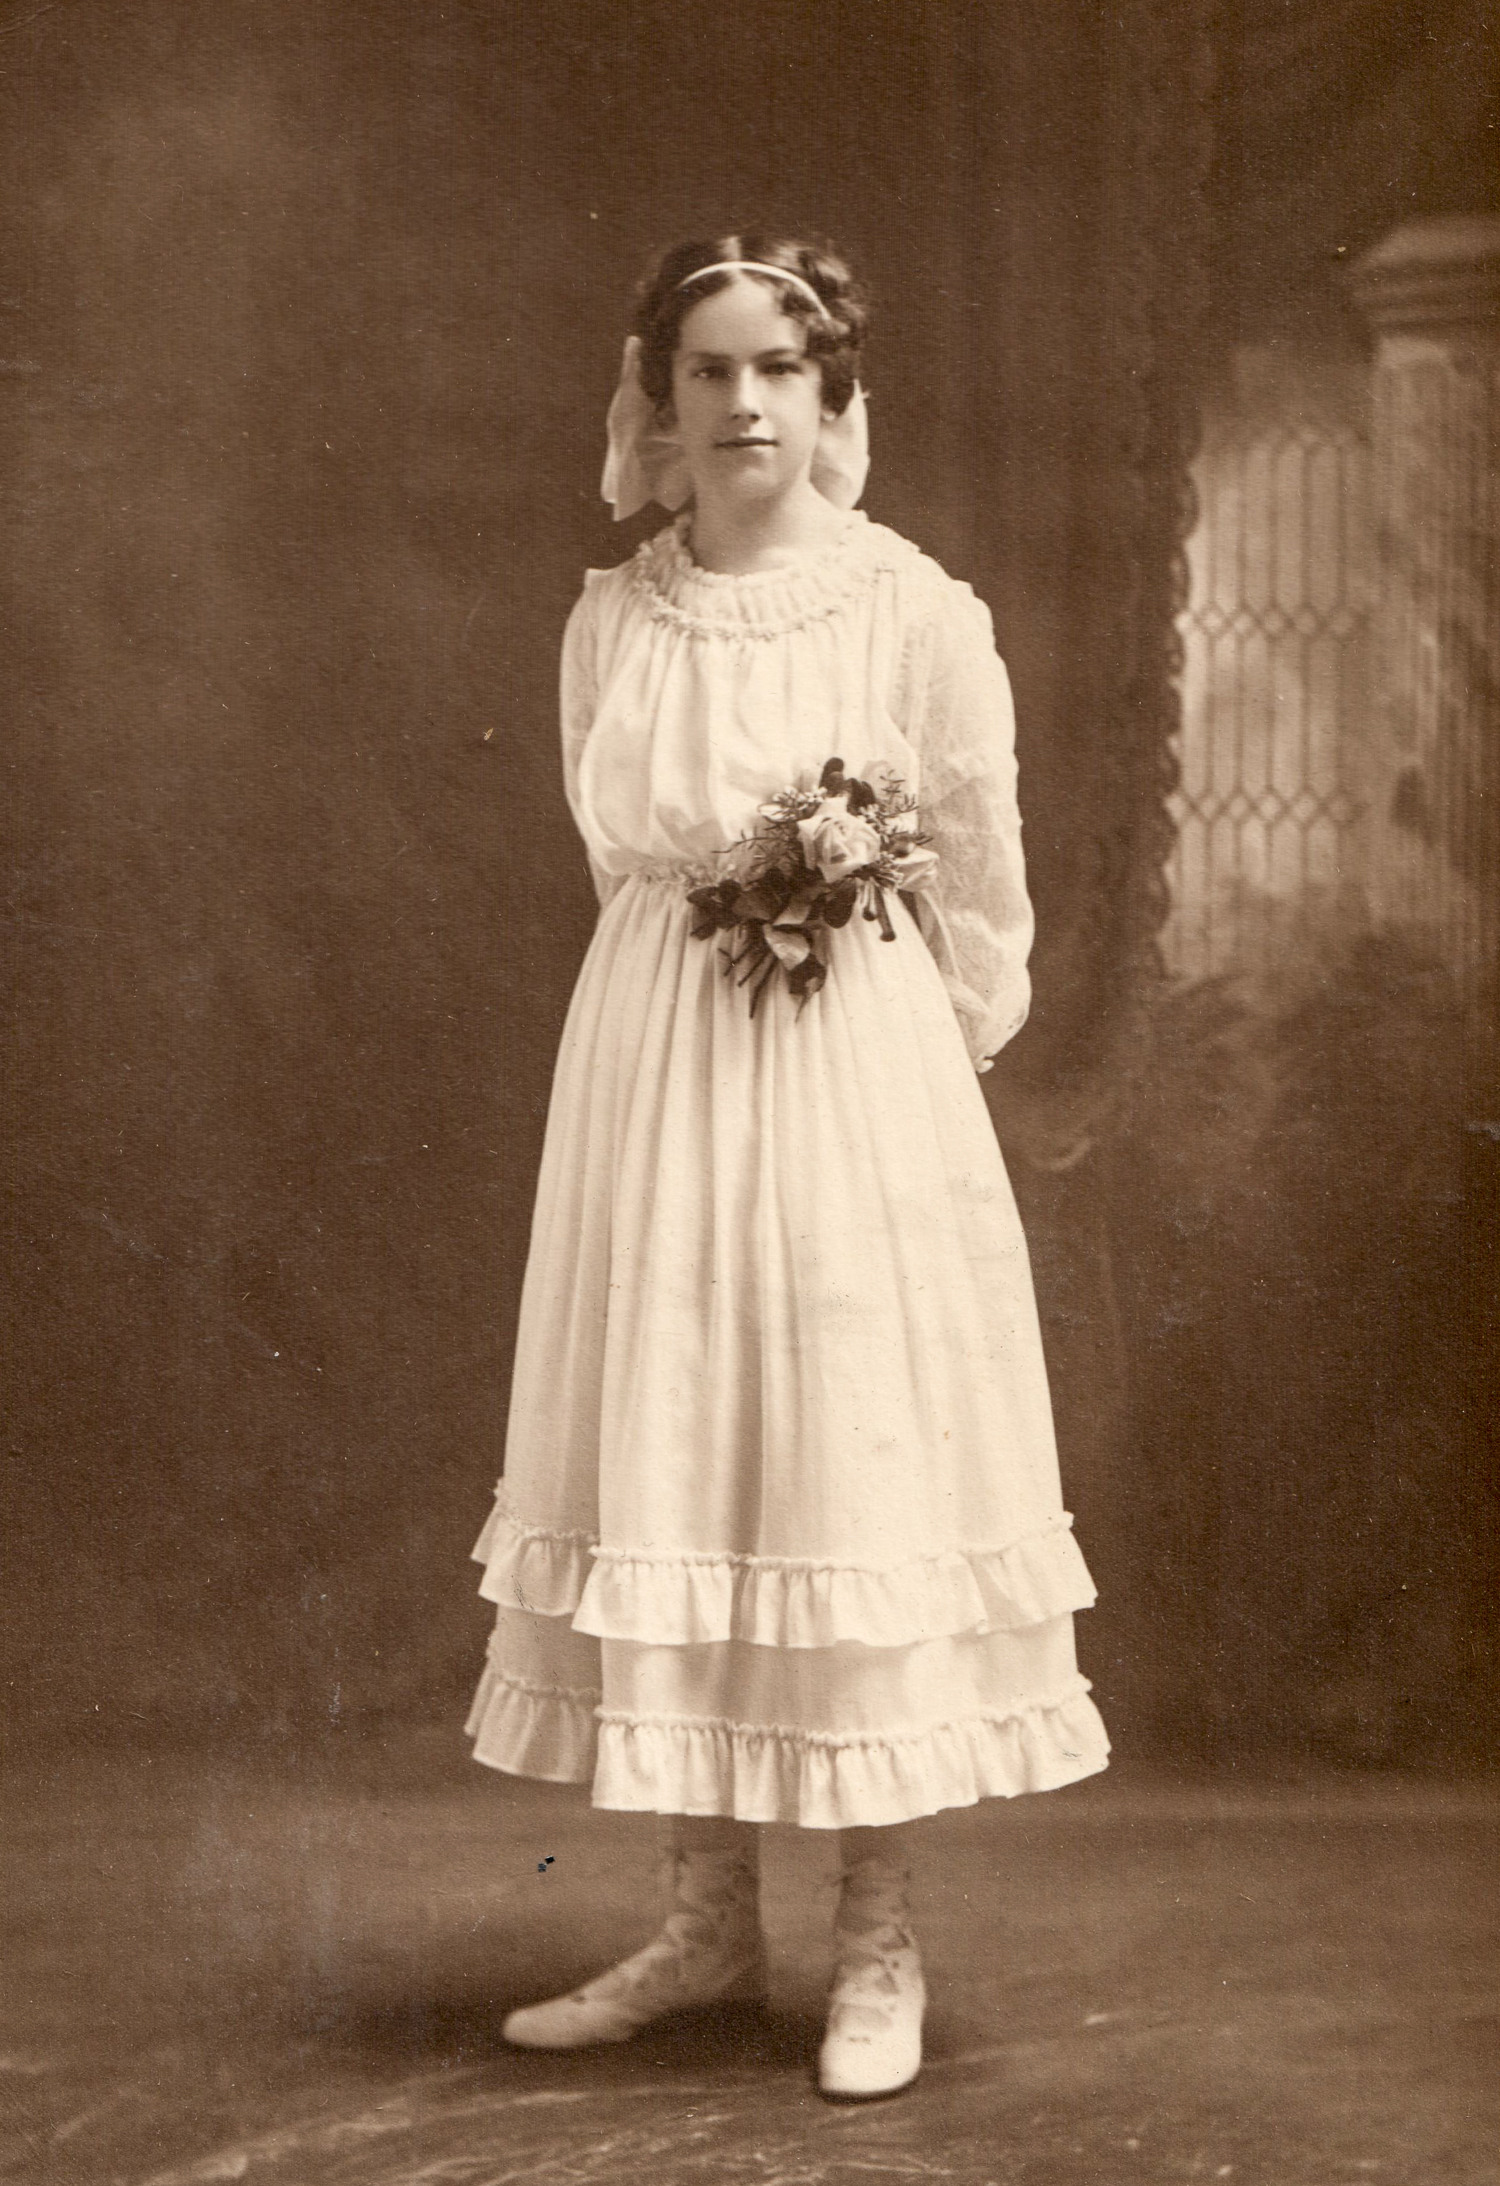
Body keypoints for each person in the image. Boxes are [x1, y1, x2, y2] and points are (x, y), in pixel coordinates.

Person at [467, 231, 1109, 2100]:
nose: (742, 405)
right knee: (679, 1435)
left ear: (833, 401)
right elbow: (622, 868)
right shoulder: (616, 617)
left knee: (843, 1459)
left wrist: (912, 1054)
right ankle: (704, 1917)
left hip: (854, 1070)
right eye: (706, 375)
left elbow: (981, 872)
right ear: (656, 409)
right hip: (663, 1067)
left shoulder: (911, 605)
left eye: (776, 371)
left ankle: (875, 1940)